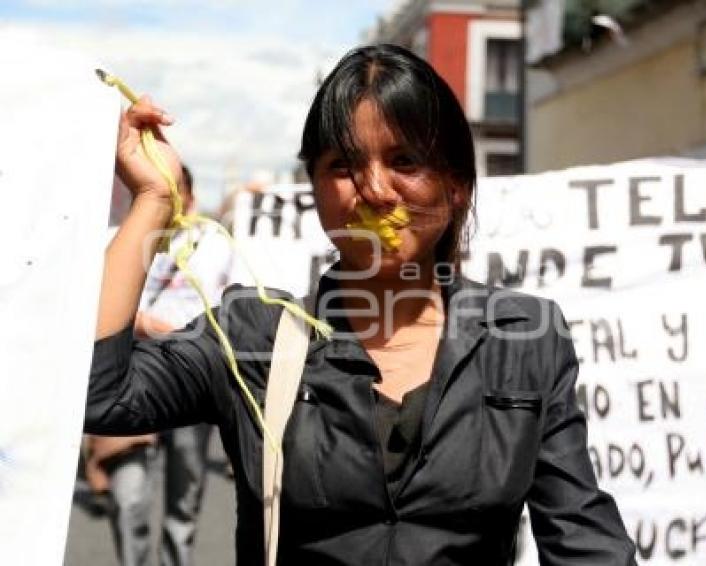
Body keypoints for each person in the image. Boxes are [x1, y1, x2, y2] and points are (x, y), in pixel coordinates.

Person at [85, 44, 637, 564]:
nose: (375, 189)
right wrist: (153, 203)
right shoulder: (253, 335)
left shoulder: (526, 338)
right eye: (344, 166)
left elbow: (585, 540)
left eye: (405, 160)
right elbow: (98, 397)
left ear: (457, 185)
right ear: (316, 190)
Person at [86, 165, 231, 566]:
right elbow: (95, 308)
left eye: (175, 192)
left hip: (194, 381)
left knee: (184, 502)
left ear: (191, 198)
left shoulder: (217, 242)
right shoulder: (121, 242)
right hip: (129, 378)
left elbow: (235, 310)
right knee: (128, 495)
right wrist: (147, 325)